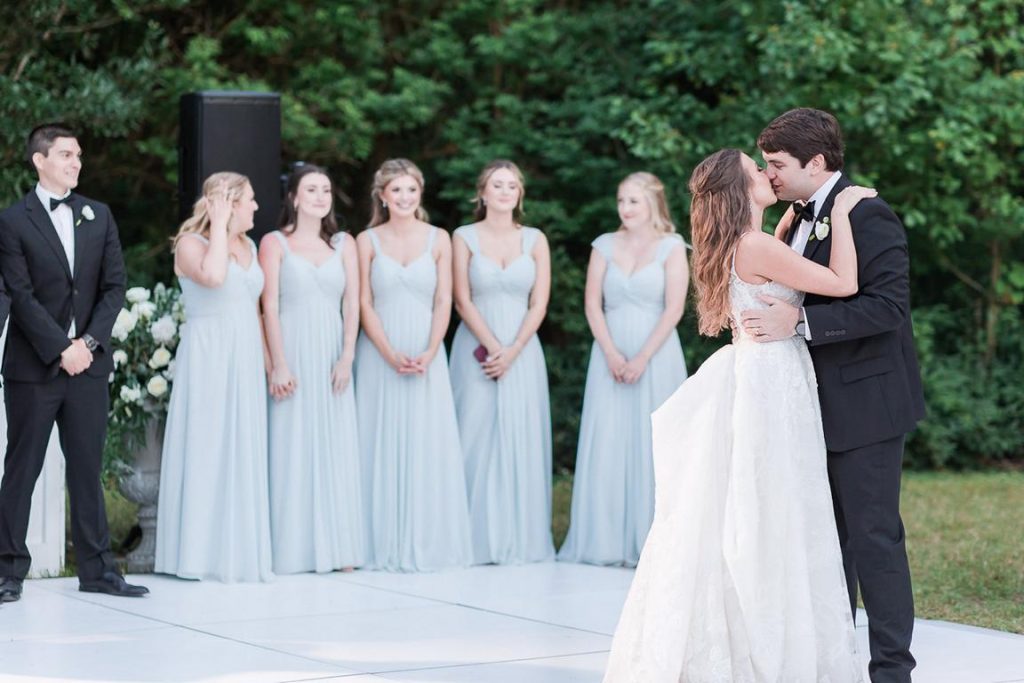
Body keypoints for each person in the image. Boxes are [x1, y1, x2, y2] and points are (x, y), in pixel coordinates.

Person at [603, 148, 873, 682]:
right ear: (740, 188)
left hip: (765, 372)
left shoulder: (749, 240)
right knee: (772, 508)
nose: (769, 174)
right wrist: (840, 213)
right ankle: (768, 644)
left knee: (761, 506)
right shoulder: (755, 245)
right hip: (772, 381)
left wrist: (795, 219)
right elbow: (843, 283)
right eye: (758, 170)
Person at [741, 108, 925, 683]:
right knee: (827, 541)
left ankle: (892, 671)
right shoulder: (792, 219)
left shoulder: (868, 214)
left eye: (777, 165)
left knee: (873, 538)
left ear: (815, 162)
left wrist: (799, 323)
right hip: (805, 404)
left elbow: (889, 307)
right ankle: (834, 659)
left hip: (867, 404)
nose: (770, 175)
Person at [0, 123, 148, 601]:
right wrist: (60, 348)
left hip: (89, 364)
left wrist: (86, 344)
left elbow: (114, 287)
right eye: (66, 155)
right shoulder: (12, 220)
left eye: (78, 156)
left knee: (86, 466)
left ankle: (98, 571)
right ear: (39, 160)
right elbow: (19, 295)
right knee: (23, 467)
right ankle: (8, 571)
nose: (75, 163)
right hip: (33, 366)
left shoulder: (98, 215)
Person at [558, 172, 688, 567]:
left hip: (657, 354)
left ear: (652, 203)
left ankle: (654, 540)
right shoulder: (604, 246)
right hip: (609, 353)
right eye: (621, 201)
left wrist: (642, 357)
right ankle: (605, 541)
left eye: (633, 201)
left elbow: (674, 308)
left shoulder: (671, 247)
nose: (625, 209)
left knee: (655, 444)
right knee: (609, 441)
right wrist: (612, 354)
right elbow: (592, 304)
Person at [155, 172, 274, 583]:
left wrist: (268, 362)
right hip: (209, 354)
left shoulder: (252, 245)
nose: (256, 207)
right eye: (250, 200)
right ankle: (197, 554)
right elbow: (214, 277)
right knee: (208, 444)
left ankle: (237, 551)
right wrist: (219, 226)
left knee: (242, 444)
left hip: (243, 354)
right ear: (227, 204)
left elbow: (255, 308)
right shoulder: (191, 244)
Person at [354, 158, 472, 572]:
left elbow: (445, 298)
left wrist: (430, 348)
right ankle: (376, 541)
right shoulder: (365, 241)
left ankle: (427, 539)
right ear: (382, 196)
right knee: (377, 438)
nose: (404, 198)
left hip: (426, 349)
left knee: (426, 440)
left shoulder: (439, 238)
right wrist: (386, 350)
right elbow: (363, 300)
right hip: (379, 353)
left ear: (420, 193)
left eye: (411, 190)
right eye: (396, 190)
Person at [259, 164, 365, 574]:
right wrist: (278, 364)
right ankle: (293, 549)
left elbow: (352, 303)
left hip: (332, 354)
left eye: (326, 189)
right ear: (295, 198)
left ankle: (339, 548)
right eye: (312, 190)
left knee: (335, 445)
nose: (321, 196)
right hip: (294, 347)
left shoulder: (344, 244)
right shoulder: (274, 243)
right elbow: (268, 305)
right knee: (293, 443)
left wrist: (347, 356)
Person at [449, 160, 555, 565]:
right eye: (498, 184)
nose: (506, 191)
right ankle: (472, 539)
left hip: (523, 351)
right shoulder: (464, 237)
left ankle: (521, 539)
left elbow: (539, 302)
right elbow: (461, 298)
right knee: (473, 435)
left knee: (519, 435)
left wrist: (512, 350)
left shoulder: (535, 239)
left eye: (512, 185)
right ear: (483, 192)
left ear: (520, 193)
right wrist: (494, 346)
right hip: (476, 346)